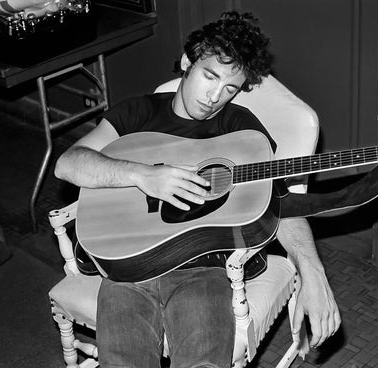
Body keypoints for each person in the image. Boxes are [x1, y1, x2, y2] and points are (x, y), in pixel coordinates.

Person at [55, 11, 341, 368]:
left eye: (230, 88)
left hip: (203, 267)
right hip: (127, 266)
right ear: (188, 62)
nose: (215, 97)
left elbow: (278, 200)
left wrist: (313, 272)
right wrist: (143, 175)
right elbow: (68, 164)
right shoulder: (138, 112)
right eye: (210, 76)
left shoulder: (240, 129)